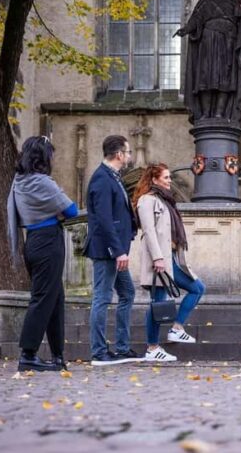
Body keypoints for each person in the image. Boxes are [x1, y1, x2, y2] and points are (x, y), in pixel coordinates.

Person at [7, 135, 78, 372]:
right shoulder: (42, 182)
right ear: (42, 156)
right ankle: (28, 354)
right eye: (51, 154)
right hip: (47, 242)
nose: (53, 159)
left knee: (55, 298)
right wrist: (57, 211)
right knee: (42, 298)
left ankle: (58, 355)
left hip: (35, 242)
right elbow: (72, 210)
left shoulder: (20, 181)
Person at [133, 164, 205, 362]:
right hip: (160, 260)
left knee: (197, 288)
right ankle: (152, 348)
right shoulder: (146, 201)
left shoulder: (165, 201)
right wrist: (157, 258)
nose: (169, 180)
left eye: (169, 176)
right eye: (166, 177)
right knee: (158, 302)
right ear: (154, 179)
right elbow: (148, 231)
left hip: (172, 258)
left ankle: (176, 328)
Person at [84, 135, 141, 366]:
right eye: (127, 152)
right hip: (107, 251)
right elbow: (104, 220)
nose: (129, 156)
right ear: (119, 155)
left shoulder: (112, 177)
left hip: (116, 250)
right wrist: (118, 251)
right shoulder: (101, 179)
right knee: (102, 297)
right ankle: (98, 353)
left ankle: (122, 347)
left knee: (127, 293)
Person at [175, 0, 241, 126]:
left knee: (224, 79)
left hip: (227, 45)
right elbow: (195, 20)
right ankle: (204, 115)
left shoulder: (236, 1)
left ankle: (220, 114)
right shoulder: (206, 1)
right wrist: (185, 30)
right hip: (208, 44)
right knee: (205, 78)